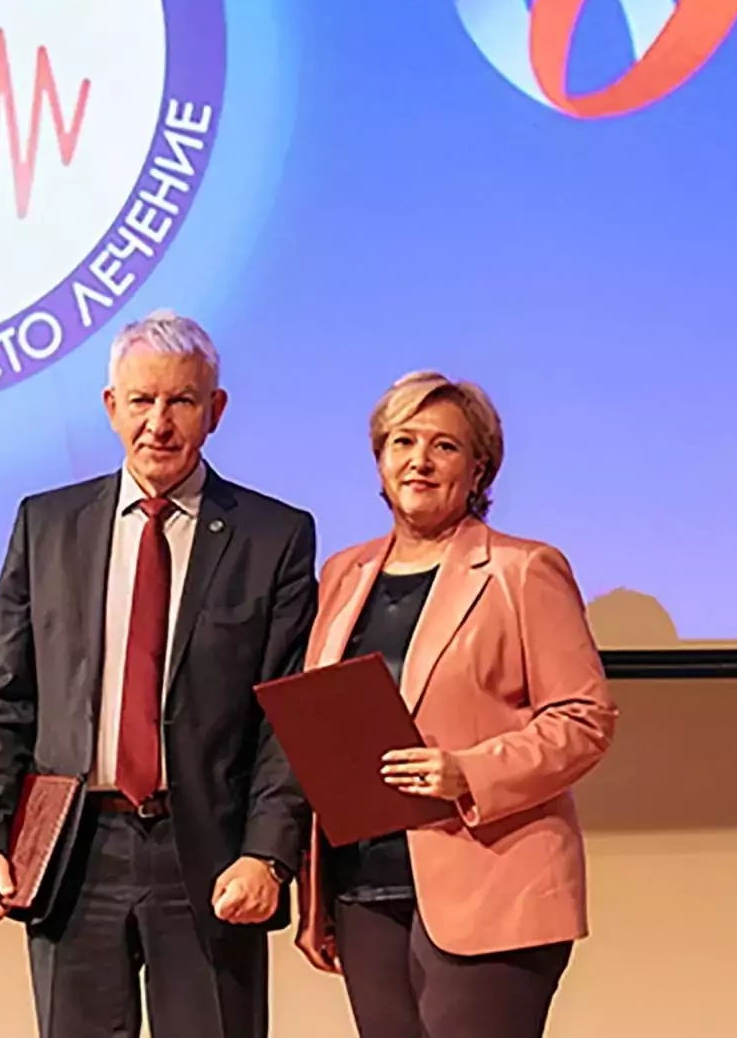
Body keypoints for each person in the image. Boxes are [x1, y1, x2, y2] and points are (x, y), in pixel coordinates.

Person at [0, 310, 318, 1038]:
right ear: (111, 405)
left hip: (209, 859)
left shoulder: (273, 536)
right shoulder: (46, 525)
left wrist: (268, 855)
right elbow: (9, 700)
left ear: (215, 409)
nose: (159, 422)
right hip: (72, 854)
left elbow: (285, 721)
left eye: (181, 400)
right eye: (142, 400)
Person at [294, 371, 617, 1038]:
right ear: (380, 461)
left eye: (443, 446)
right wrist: (312, 892)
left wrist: (468, 771)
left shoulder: (523, 570)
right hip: (364, 888)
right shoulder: (342, 574)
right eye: (402, 441)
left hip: (491, 883)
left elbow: (583, 720)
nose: (419, 460)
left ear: (478, 470)